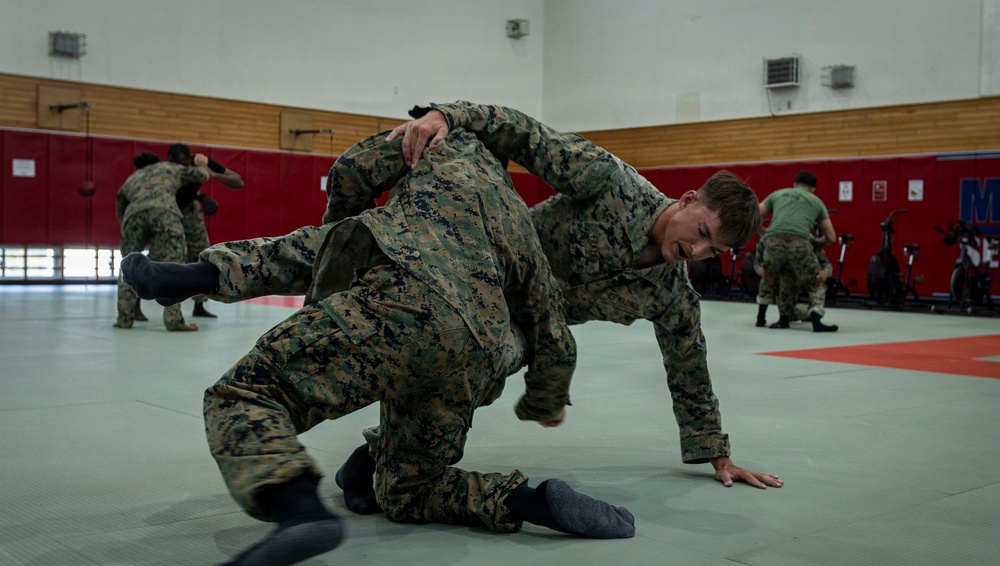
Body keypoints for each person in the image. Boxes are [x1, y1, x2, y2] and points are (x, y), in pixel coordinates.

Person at [125, 100, 782, 515]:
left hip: (519, 328)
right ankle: (381, 463)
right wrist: (447, 117)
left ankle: (386, 461)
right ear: (690, 198)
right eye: (699, 235)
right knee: (401, 317)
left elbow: (688, 360)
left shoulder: (668, 289)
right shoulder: (610, 182)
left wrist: (715, 451)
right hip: (480, 257)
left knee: (462, 363)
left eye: (709, 253)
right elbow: (522, 133)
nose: (693, 253)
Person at [123, 128, 637, 566]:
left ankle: (299, 511)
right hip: (475, 356)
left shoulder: (428, 160)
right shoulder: (518, 223)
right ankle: (527, 501)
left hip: (402, 306)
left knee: (248, 394)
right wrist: (543, 401)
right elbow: (552, 326)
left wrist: (208, 271)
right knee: (410, 490)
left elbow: (340, 196)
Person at [114, 152, 209, 331]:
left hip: (133, 216)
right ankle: (174, 320)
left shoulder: (131, 178)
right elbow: (201, 176)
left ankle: (124, 320)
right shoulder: (170, 167)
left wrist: (134, 227)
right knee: (174, 265)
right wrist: (202, 165)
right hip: (165, 214)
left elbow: (120, 209)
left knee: (127, 265)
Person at [168, 142, 245, 319]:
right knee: (163, 255)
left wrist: (212, 174)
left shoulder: (199, 162)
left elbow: (238, 182)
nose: (180, 168)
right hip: (168, 210)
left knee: (202, 256)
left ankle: (199, 305)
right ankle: (135, 305)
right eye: (175, 164)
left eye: (183, 163)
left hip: (189, 212)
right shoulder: (165, 169)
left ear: (189, 159)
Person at [756, 171, 839, 332]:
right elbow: (831, 237)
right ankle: (816, 321)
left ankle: (781, 319)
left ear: (794, 184)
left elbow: (753, 214)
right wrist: (817, 242)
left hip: (774, 242)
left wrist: (763, 231)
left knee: (783, 276)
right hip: (799, 242)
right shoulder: (817, 202)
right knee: (816, 281)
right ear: (813, 188)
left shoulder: (777, 194)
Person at [753, 230, 833, 327]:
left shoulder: (806, 238)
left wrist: (824, 273)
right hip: (780, 280)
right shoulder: (768, 237)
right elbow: (757, 263)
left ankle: (811, 313)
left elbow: (826, 264)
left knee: (815, 279)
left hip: (797, 277)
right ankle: (762, 315)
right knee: (769, 273)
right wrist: (762, 271)